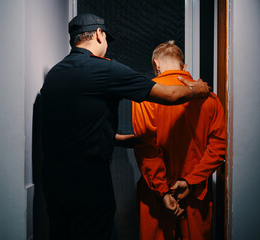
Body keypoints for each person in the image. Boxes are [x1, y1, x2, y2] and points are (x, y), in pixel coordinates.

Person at [40, 14, 211, 240]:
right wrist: (199, 89)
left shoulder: (55, 74)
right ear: (99, 35)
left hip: (53, 180)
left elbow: (72, 127)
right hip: (89, 180)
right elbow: (169, 94)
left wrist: (119, 139)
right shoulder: (104, 69)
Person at [132, 40, 226, 240]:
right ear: (184, 67)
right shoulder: (210, 99)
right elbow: (218, 148)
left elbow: (147, 148)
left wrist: (164, 192)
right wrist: (190, 181)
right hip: (195, 193)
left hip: (156, 194)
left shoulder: (145, 97)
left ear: (156, 65)